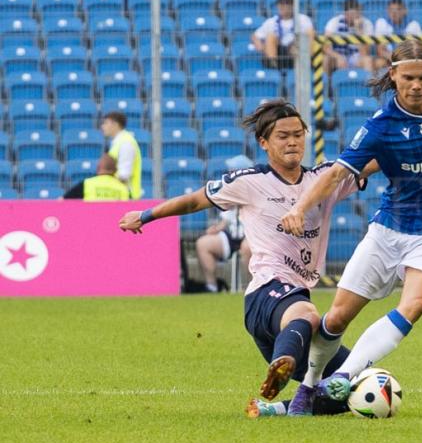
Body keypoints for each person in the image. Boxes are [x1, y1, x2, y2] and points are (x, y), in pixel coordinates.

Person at [279, 39, 422, 416]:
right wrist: (300, 207)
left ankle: (344, 376)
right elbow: (338, 172)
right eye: (409, 78)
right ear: (393, 75)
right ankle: (307, 388)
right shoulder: (380, 127)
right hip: (390, 229)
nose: (418, 85)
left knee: (417, 303)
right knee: (335, 317)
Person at [118, 100, 380, 418]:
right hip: (265, 296)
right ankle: (281, 366)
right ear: (264, 142)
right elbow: (192, 201)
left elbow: (374, 161)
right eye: (283, 135)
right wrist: (145, 215)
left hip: (291, 321)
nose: (293, 141)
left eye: (298, 134)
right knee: (309, 315)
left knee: (353, 383)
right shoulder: (249, 181)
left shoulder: (324, 180)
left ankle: (275, 408)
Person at [194, 155, 254, 294]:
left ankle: (254, 288)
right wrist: (218, 228)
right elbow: (226, 218)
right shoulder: (229, 188)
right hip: (232, 235)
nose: (229, 172)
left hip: (251, 235)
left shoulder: (256, 188)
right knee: (203, 243)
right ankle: (212, 286)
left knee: (247, 248)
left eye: (232, 170)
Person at [252, 0, 315, 71]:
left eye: (285, 4)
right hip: (279, 53)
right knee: (271, 37)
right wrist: (262, 47)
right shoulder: (271, 21)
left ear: (292, 6)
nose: (281, 6)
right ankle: (274, 67)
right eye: (280, 4)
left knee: (306, 36)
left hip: (297, 50)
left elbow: (310, 34)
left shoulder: (302, 19)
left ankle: (302, 68)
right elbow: (255, 36)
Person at [323, 0, 376, 73]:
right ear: (345, 13)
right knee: (326, 59)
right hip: (338, 55)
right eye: (350, 14)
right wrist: (338, 56)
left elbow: (365, 52)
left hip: (356, 57)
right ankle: (328, 84)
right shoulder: (335, 22)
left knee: (368, 60)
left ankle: (367, 84)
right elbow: (326, 47)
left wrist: (359, 31)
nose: (353, 17)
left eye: (356, 14)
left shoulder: (367, 24)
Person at [100, 111, 143, 200]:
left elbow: (124, 174)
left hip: (128, 196)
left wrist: (104, 183)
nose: (102, 127)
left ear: (115, 124)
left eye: (105, 123)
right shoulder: (119, 142)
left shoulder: (126, 143)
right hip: (120, 194)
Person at [374, 0, 422, 65]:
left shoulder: (413, 25)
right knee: (378, 63)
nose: (394, 13)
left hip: (407, 59)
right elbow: (380, 50)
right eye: (391, 10)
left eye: (398, 9)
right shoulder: (382, 22)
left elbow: (418, 48)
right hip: (388, 58)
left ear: (405, 10)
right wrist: (395, 59)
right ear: (387, 11)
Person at [63, 154, 131, 201]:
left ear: (98, 168)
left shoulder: (86, 184)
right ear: (115, 170)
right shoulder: (124, 188)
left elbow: (62, 201)